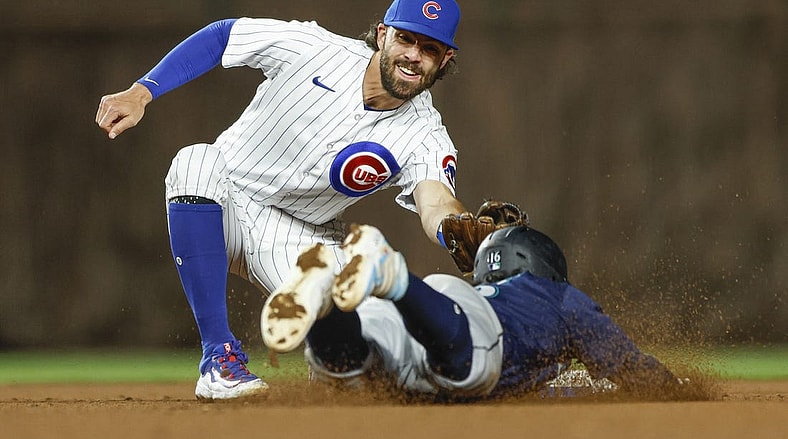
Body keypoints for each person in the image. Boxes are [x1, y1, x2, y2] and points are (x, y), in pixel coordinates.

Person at [95, 0, 470, 400]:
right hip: (226, 204)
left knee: (363, 355)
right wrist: (143, 91)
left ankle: (339, 378)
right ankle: (218, 358)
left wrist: (460, 230)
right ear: (382, 35)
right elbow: (225, 35)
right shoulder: (313, 47)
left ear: (445, 59)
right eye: (405, 39)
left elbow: (436, 204)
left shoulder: (426, 133)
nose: (413, 55)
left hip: (303, 240)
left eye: (429, 48)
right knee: (195, 161)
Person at [261, 223, 688, 401]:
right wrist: (679, 389)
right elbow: (628, 367)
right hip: (457, 324)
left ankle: (325, 307)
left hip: (422, 312)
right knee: (468, 367)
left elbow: (562, 388)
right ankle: (392, 274)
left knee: (353, 371)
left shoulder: (487, 295)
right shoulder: (555, 297)